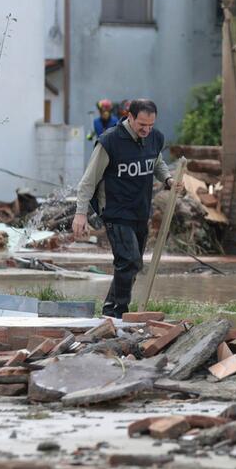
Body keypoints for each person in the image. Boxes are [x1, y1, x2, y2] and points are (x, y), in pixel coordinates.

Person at [72, 99, 176, 318]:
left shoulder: (154, 138)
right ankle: (119, 311)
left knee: (130, 265)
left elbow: (156, 163)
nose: (147, 130)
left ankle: (111, 308)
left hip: (140, 210)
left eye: (150, 125)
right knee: (129, 260)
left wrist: (168, 179)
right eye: (142, 125)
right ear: (130, 117)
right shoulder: (110, 141)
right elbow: (88, 181)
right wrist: (80, 214)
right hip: (115, 211)